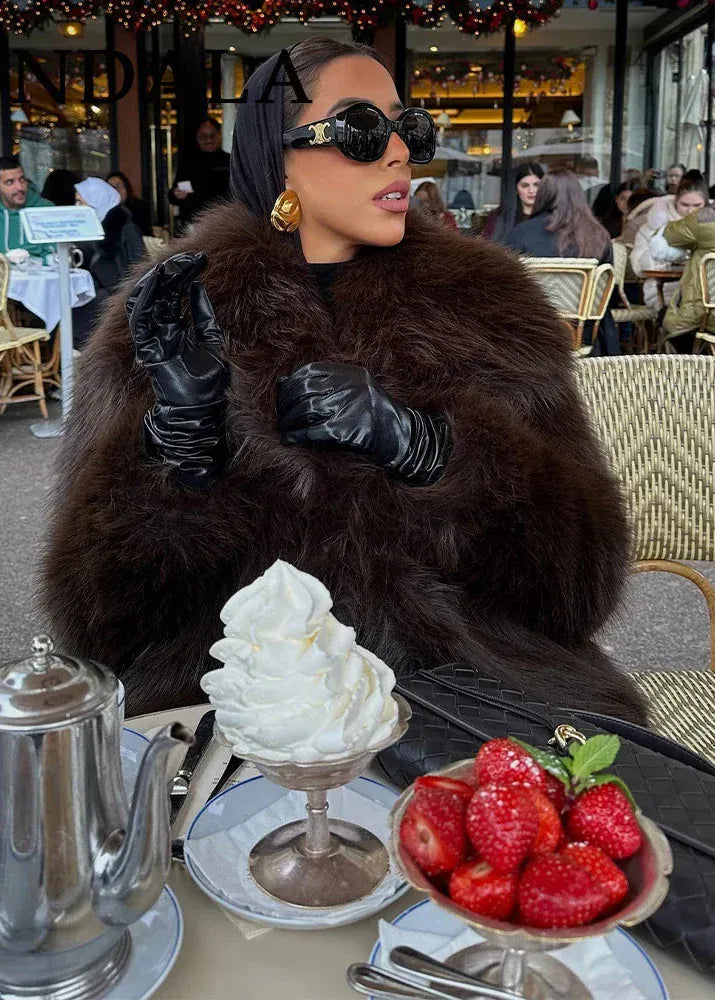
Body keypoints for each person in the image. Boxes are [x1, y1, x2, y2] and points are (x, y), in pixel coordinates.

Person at [41, 38, 646, 726]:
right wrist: (177, 456)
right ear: (278, 152)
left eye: (407, 129)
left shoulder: (489, 305)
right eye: (361, 129)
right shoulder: (165, 316)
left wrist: (435, 450)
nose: (398, 153)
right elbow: (98, 628)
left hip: (476, 689)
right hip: (235, 703)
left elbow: (577, 591)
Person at [505, 169, 617, 355]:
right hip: (587, 337)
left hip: (533, 336)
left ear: (543, 195)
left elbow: (508, 288)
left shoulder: (521, 233)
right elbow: (607, 296)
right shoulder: (599, 235)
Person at [72, 177, 144, 347]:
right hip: (99, 289)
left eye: (81, 202)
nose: (77, 208)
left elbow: (136, 267)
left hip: (119, 293)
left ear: (97, 202)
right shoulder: (89, 227)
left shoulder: (125, 228)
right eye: (75, 201)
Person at [630, 176, 709, 311]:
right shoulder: (654, 226)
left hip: (707, 291)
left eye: (697, 206)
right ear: (675, 202)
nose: (690, 211)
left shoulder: (710, 227)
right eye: (685, 205)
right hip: (665, 290)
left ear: (706, 205)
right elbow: (638, 266)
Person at [659, 205, 715, 351]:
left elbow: (667, 234)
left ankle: (695, 366)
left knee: (665, 318)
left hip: (707, 316)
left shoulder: (705, 219)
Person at [169, 118, 231, 231]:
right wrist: (177, 194)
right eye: (203, 136)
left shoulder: (231, 161)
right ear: (197, 138)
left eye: (212, 135)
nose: (208, 140)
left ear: (219, 135)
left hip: (225, 224)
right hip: (194, 226)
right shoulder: (188, 164)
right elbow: (172, 197)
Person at [0, 155, 53, 260]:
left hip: (41, 274)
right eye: (10, 182)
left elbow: (56, 254)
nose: (19, 187)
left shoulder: (46, 209)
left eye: (22, 179)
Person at [479, 161, 544, 242]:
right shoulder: (500, 217)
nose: (531, 190)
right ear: (516, 189)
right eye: (525, 186)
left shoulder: (551, 217)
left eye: (536, 185)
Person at [107, 170, 153, 236]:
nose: (115, 190)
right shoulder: (105, 209)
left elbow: (145, 232)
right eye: (111, 187)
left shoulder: (140, 206)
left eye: (118, 186)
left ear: (126, 188)